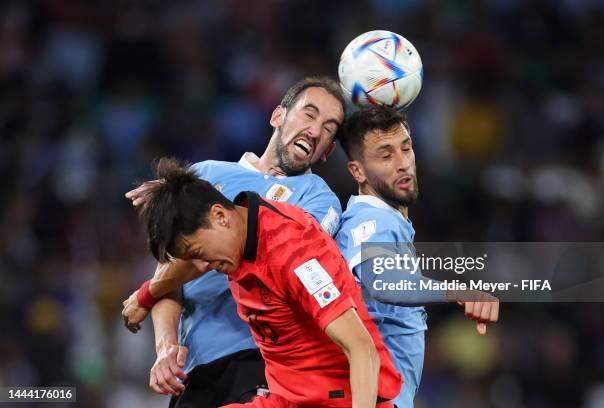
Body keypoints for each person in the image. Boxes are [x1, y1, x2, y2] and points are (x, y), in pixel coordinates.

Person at [121, 77, 346, 406]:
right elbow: (168, 274)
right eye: (309, 115)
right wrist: (165, 347)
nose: (314, 131)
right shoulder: (207, 174)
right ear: (278, 116)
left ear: (328, 150)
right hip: (194, 370)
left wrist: (145, 294)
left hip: (262, 364)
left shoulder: (319, 201)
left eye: (329, 128)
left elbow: (242, 249)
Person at [134, 157, 402, 407]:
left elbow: (361, 347)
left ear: (220, 216)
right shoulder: (239, 238)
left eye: (198, 254)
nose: (202, 268)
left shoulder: (294, 251)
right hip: (285, 398)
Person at [335, 107, 500, 408]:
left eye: (406, 149)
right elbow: (382, 281)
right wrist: (455, 291)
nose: (402, 164)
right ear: (357, 171)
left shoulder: (386, 222)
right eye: (385, 156)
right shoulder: (372, 221)